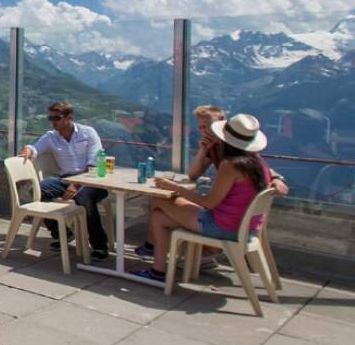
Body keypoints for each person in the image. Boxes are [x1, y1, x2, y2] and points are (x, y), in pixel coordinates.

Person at [135, 105, 288, 261]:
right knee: (160, 215)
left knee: (160, 200)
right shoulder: (250, 156)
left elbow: (209, 202)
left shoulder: (230, 162)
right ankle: (181, 255)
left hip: (226, 223)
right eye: (201, 127)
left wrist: (173, 187)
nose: (206, 131)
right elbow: (193, 174)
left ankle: (199, 252)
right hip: (244, 222)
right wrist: (203, 150)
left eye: (208, 126)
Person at [18, 102, 109, 261]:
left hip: (91, 180)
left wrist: (76, 184)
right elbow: (35, 148)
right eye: (50, 118)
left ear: (69, 118)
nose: (53, 122)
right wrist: (27, 150)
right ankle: (63, 233)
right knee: (38, 191)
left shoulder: (88, 133)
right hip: (65, 179)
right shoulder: (51, 136)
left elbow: (94, 163)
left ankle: (99, 244)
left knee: (84, 199)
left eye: (57, 118)